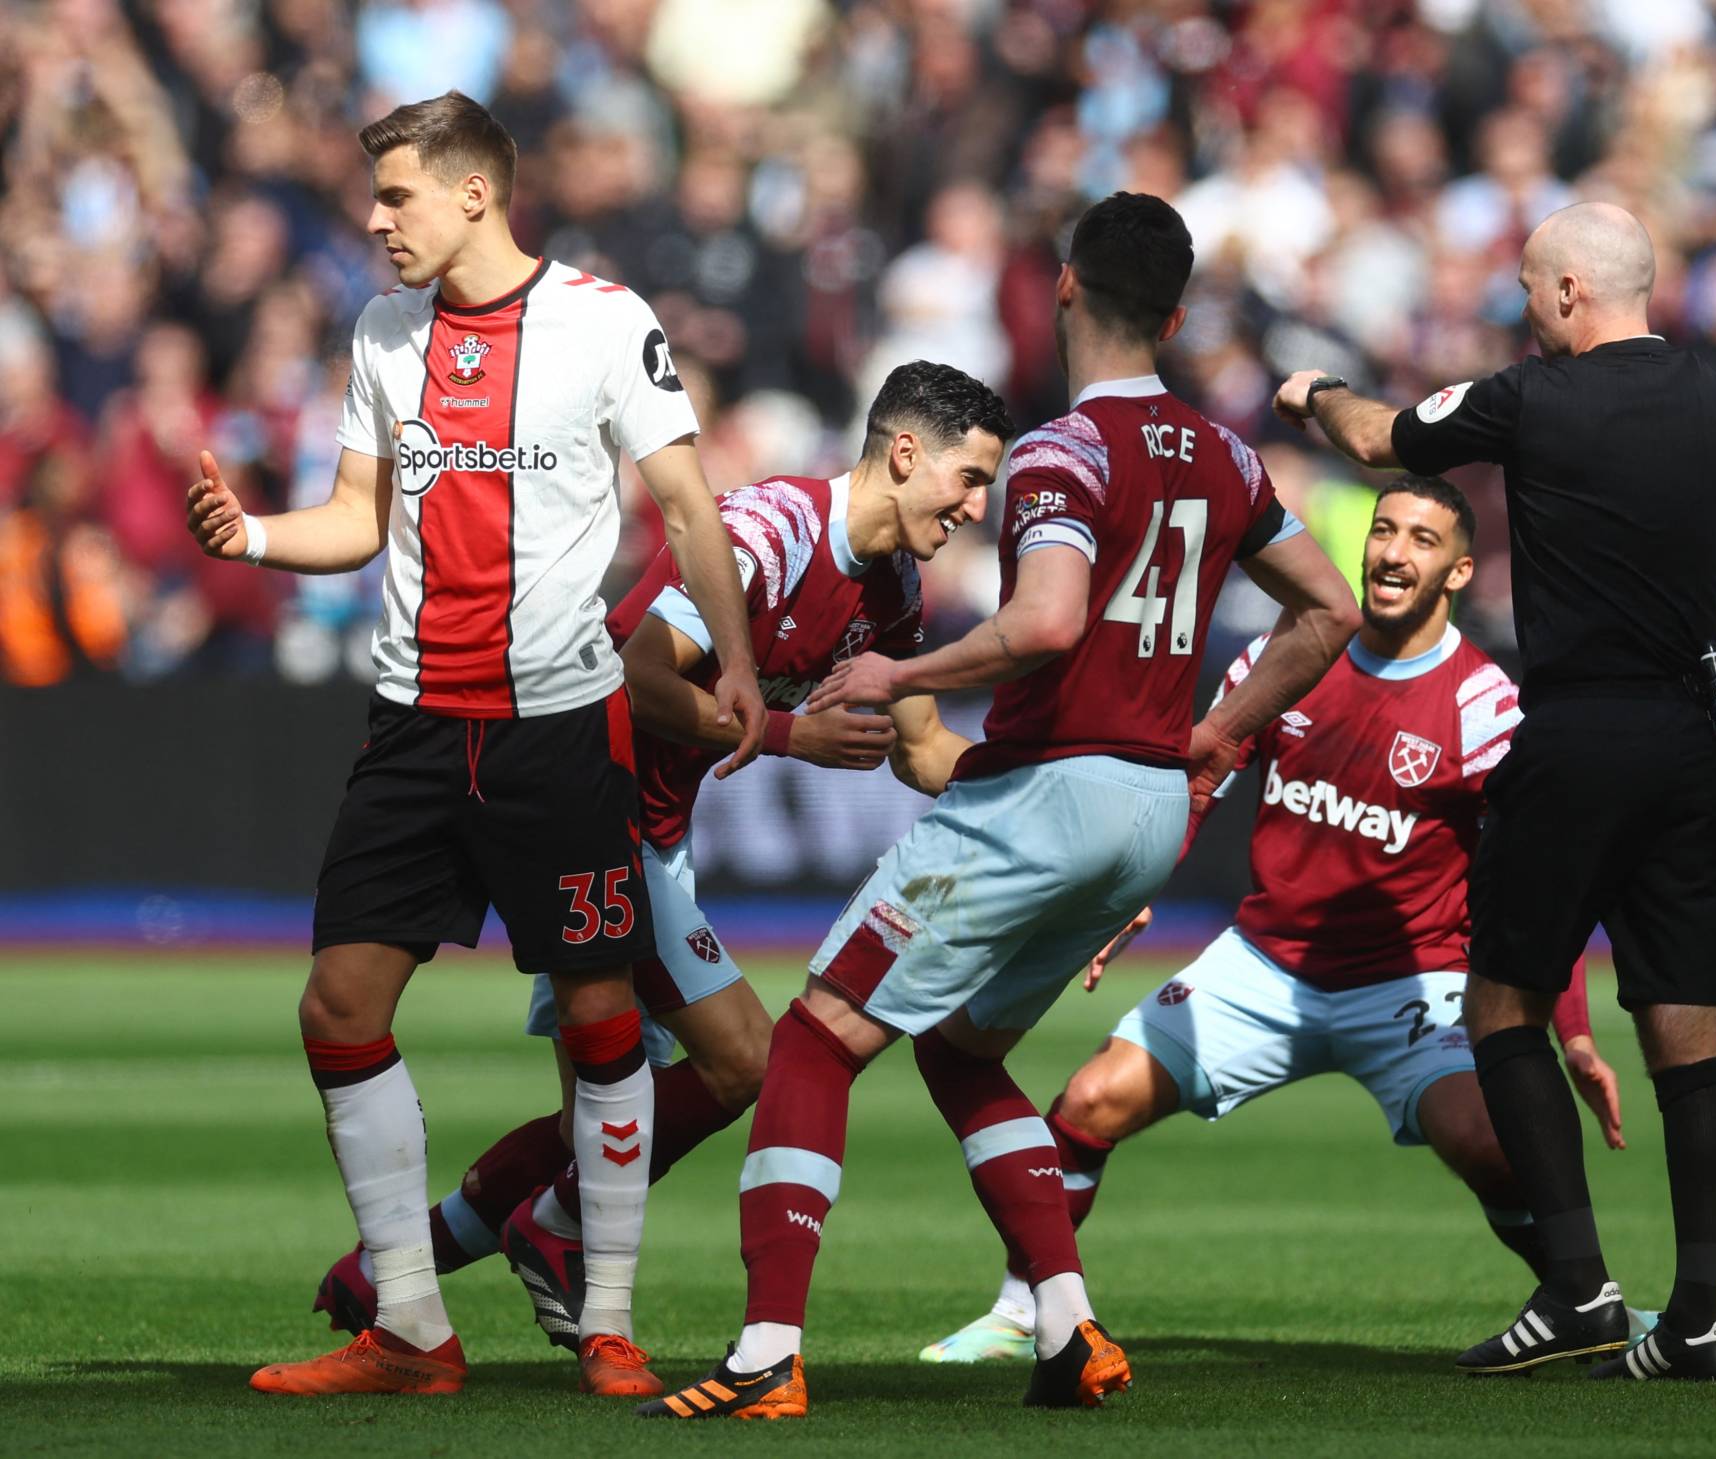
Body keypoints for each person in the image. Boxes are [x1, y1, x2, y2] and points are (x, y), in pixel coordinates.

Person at [639, 191, 1360, 1422]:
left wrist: (900, 672)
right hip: (1141, 808)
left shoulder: (1061, 450)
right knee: (964, 1050)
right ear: (1178, 314)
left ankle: (765, 1350)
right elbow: (1330, 612)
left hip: (1047, 789)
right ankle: (1069, 1329)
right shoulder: (1228, 455)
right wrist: (1210, 742)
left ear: (1066, 286)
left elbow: (1044, 624)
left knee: (813, 1039)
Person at [185, 91, 765, 1399]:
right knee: (339, 1005)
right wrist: (258, 538)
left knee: (603, 1013)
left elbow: (683, 497)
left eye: (395, 196)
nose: (376, 219)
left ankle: (608, 1316)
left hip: (558, 730)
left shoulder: (606, 322)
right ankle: (408, 1327)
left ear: (472, 196)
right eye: (373, 196)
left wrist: (730, 656)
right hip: (413, 724)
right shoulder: (384, 331)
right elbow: (355, 514)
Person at [308, 362, 1010, 1368]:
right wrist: (784, 736)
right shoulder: (765, 531)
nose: (976, 508)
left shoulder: (891, 589)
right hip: (581, 802)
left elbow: (926, 746)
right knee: (743, 1061)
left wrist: (1053, 808)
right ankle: (546, 1232)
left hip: (651, 824)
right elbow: (632, 677)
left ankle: (397, 1271)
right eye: (969, 478)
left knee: (598, 1105)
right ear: (904, 454)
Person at [919, 475, 1638, 1365]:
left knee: (1490, 1139)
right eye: (1384, 531)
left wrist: (1569, 1030)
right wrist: (1122, 889)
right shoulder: (1288, 654)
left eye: (1421, 540)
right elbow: (1196, 779)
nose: (1392, 553)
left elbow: (1540, 884)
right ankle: (1025, 1306)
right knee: (1090, 1102)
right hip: (1263, 965)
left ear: (1457, 572)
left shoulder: (1485, 707)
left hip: (1410, 982)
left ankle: (1583, 1296)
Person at [1272, 202, 1716, 1381]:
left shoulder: (1532, 398)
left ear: (1563, 294)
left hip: (1578, 727)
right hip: (1692, 726)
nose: (1524, 310)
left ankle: (1577, 1288)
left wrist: (1308, 389)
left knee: (1498, 1001)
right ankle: (1697, 1318)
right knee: (1685, 1028)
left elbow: (1377, 439)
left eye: (1529, 290)